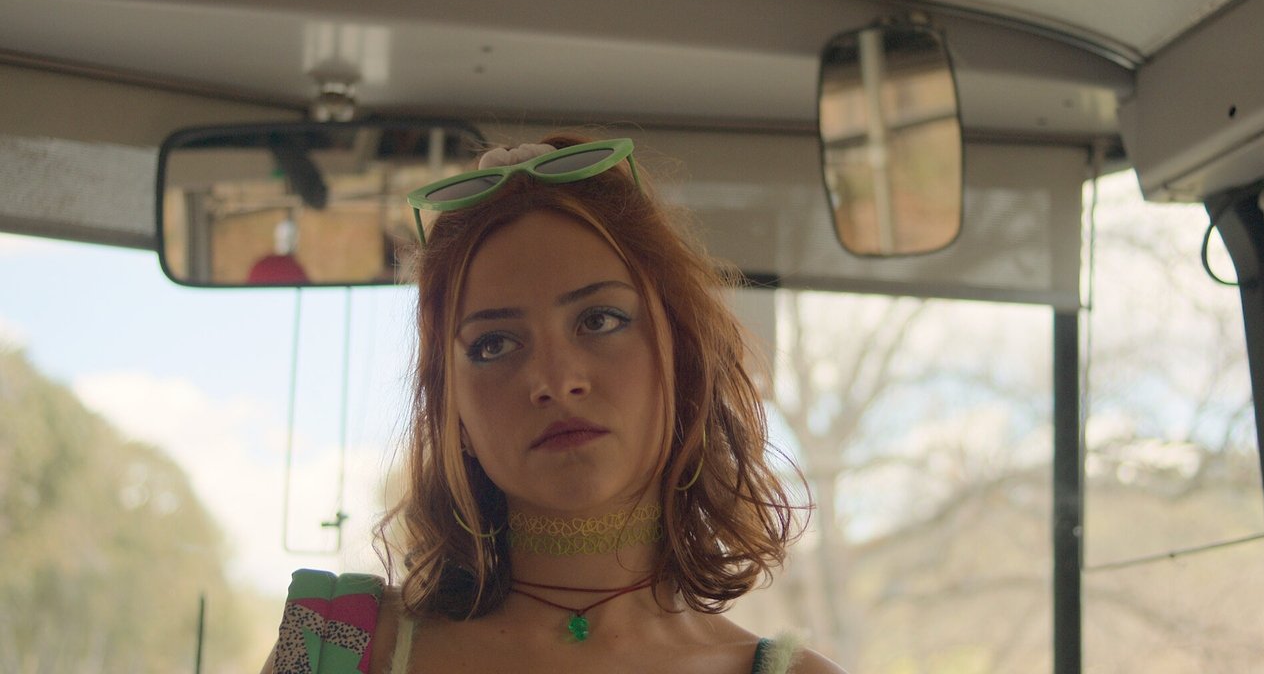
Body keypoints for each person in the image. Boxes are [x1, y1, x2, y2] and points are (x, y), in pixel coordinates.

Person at [262, 134, 845, 674]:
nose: (554, 380)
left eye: (599, 320)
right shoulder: (331, 645)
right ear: (451, 411)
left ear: (683, 358)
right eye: (494, 345)